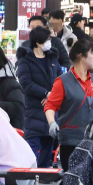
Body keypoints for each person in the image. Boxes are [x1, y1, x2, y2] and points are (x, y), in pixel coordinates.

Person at [45, 39, 93, 170]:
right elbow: (50, 105)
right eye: (92, 53)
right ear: (81, 56)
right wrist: (52, 123)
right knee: (72, 181)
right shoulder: (63, 81)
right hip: (71, 141)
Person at [16, 26, 62, 168]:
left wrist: (52, 95)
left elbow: (60, 79)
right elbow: (26, 83)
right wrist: (45, 93)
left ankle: (43, 175)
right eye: (47, 39)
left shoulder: (52, 57)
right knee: (32, 144)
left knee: (48, 144)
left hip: (51, 108)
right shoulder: (25, 59)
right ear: (37, 42)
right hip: (34, 107)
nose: (50, 42)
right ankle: (29, 174)